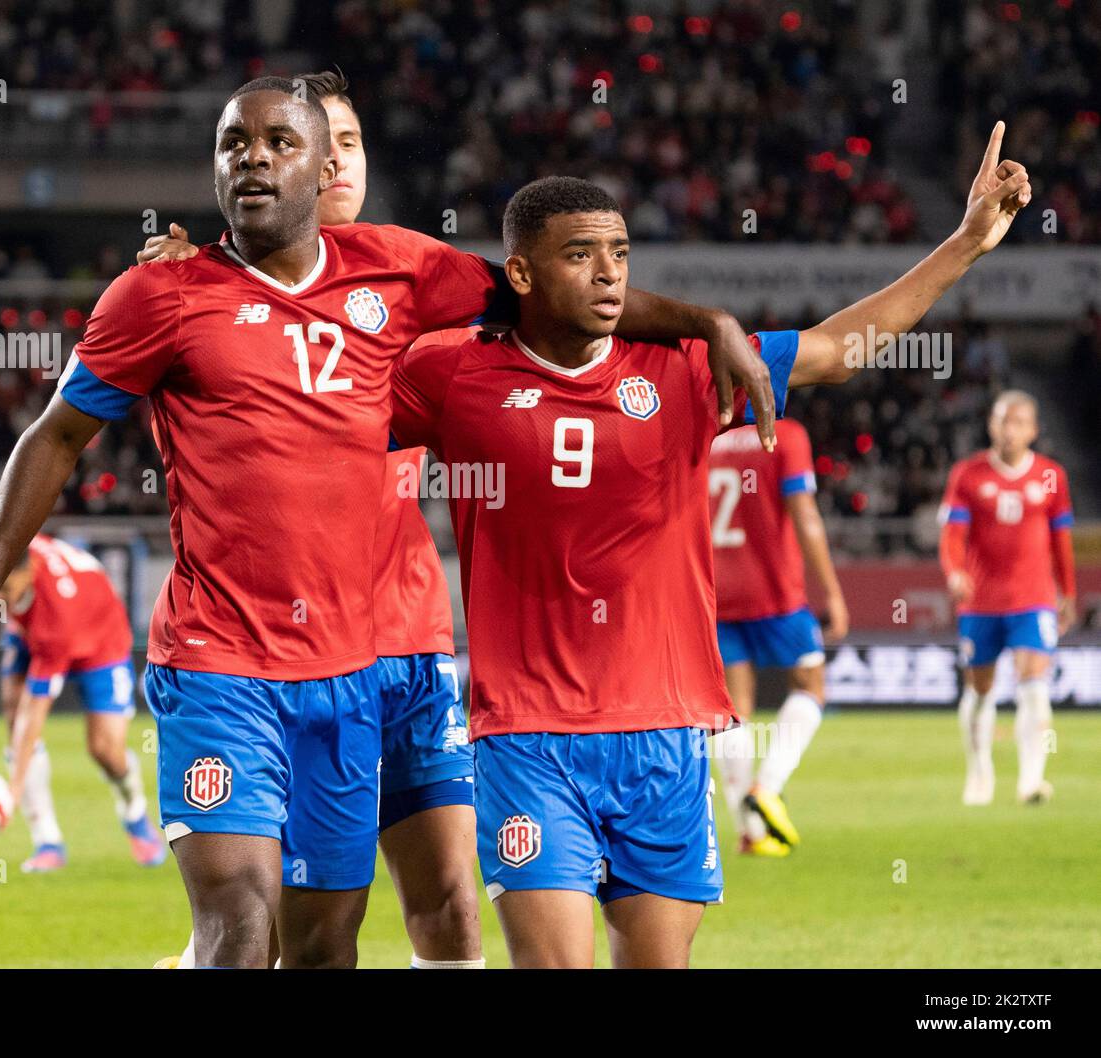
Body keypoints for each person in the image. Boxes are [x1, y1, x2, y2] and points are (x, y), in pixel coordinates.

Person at [0, 75, 780, 969]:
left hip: (351, 675)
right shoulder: (160, 296)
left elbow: (550, 294)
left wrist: (706, 323)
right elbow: (54, 437)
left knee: (332, 942)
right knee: (241, 921)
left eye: (278, 143)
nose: (253, 157)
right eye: (232, 144)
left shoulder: (401, 269)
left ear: (324, 165)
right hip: (219, 664)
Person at [389, 121, 1032, 967]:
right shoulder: (448, 375)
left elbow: (840, 352)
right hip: (526, 736)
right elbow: (321, 388)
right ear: (521, 273)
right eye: (580, 254)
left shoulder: (688, 368)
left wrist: (964, 244)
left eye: (619, 251)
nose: (610, 271)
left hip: (665, 736)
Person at [142, 71, 481, 970]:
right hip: (265, 650)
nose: (333, 161)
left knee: (447, 901)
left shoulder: (412, 284)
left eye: (350, 143)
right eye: (305, 141)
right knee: (259, 923)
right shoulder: (202, 291)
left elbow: (552, 329)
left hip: (406, 637)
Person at [708, 417, 849, 855]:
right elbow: (805, 514)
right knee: (811, 687)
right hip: (776, 594)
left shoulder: (704, 429)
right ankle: (767, 788)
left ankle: (751, 832)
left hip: (714, 591)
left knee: (734, 709)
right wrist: (832, 591)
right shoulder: (783, 434)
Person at [0, 534, 166, 871]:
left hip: (101, 641)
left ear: (28, 574)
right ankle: (48, 841)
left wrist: (12, 787)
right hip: (37, 624)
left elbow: (37, 710)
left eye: (5, 592)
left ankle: (135, 817)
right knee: (13, 714)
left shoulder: (55, 619)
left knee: (104, 750)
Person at [939, 390, 1075, 805]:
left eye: (1018, 422)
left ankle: (1031, 780)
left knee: (1034, 683)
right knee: (980, 689)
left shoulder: (1052, 476)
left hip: (1033, 598)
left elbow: (1061, 540)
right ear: (990, 425)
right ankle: (980, 772)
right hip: (981, 601)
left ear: (1033, 429)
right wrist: (955, 571)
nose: (1009, 429)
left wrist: (1067, 591)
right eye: (1002, 420)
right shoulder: (968, 474)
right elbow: (952, 534)